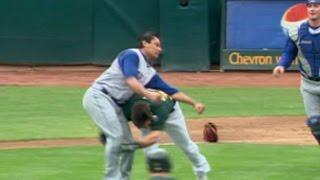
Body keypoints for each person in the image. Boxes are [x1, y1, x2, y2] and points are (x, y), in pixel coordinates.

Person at [82, 31, 210, 180]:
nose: (160, 49)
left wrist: (194, 102)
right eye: (156, 45)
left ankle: (123, 178)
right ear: (145, 43)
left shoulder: (149, 72)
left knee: (127, 143)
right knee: (116, 137)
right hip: (100, 96)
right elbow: (130, 80)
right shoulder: (131, 55)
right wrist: (149, 95)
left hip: (117, 104)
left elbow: (171, 91)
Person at [119, 90, 210, 180]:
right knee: (149, 152)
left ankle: (201, 174)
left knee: (186, 146)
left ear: (150, 116)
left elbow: (154, 137)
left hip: (171, 114)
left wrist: (132, 145)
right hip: (148, 110)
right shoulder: (126, 109)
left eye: (145, 125)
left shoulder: (160, 109)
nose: (145, 127)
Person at [273, 0, 320, 144]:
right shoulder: (297, 31)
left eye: (316, 6)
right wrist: (282, 65)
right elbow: (289, 51)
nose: (312, 9)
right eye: (309, 6)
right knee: (314, 124)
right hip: (308, 85)